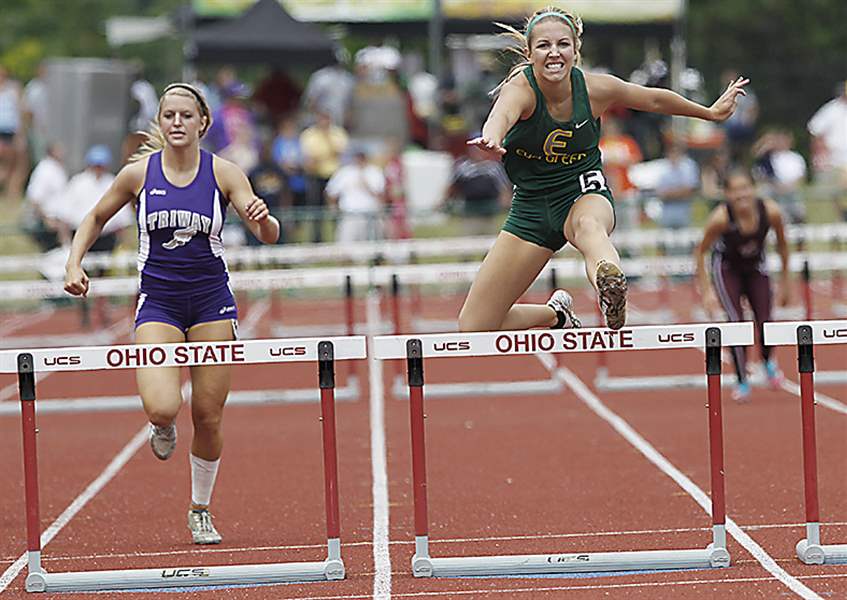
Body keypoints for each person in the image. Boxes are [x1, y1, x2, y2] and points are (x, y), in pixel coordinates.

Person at [63, 83, 280, 544]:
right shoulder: (138, 174)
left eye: (186, 115)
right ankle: (161, 424)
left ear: (203, 123)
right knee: (164, 405)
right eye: (169, 116)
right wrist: (73, 261)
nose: (177, 123)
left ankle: (200, 508)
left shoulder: (224, 173)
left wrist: (263, 219)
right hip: (158, 303)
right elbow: (96, 217)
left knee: (208, 413)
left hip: (211, 303)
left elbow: (268, 234)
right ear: (159, 123)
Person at [460, 6, 748, 333]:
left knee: (588, 226)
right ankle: (556, 315)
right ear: (530, 53)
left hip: (582, 192)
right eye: (544, 46)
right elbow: (501, 114)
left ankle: (610, 281)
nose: (554, 53)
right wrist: (492, 137)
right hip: (531, 208)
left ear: (575, 50)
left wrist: (708, 113)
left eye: (562, 45)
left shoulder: (595, 89)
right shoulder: (521, 89)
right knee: (474, 325)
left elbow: (652, 99)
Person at [694, 168, 791, 402]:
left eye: (745, 188)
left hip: (755, 267)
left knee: (766, 319)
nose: (741, 195)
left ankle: (768, 361)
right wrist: (707, 292)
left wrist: (786, 283)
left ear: (754, 190)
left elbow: (783, 245)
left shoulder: (771, 212)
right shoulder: (720, 218)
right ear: (726, 194)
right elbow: (700, 252)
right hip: (727, 269)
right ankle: (742, 379)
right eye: (735, 191)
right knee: (736, 322)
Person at [325, 145, 385, 243]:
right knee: (346, 244)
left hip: (369, 214)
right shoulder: (344, 172)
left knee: (369, 245)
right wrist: (333, 208)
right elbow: (332, 191)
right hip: (349, 214)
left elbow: (380, 194)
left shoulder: (375, 172)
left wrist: (366, 185)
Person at [807, 80, 847, 220]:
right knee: (830, 194)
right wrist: (821, 154)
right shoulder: (831, 109)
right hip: (834, 160)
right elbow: (816, 131)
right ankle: (835, 220)